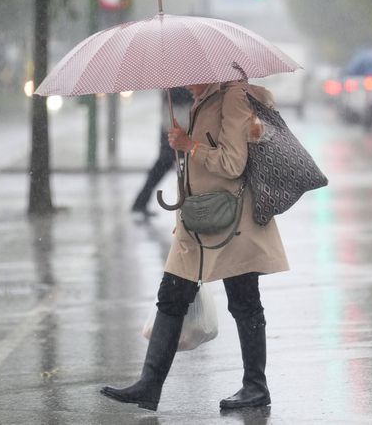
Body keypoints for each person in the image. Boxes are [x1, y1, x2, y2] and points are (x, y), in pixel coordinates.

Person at [102, 80, 288, 411]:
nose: (184, 82)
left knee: (244, 301)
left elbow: (233, 163)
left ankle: (255, 387)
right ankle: (149, 384)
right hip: (199, 220)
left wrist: (190, 145)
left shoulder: (231, 98)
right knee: (171, 296)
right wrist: (181, 219)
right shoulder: (201, 99)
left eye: (190, 76)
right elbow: (192, 173)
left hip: (233, 220)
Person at [131, 87, 195, 217]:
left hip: (176, 127)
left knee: (169, 167)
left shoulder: (172, 80)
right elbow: (180, 98)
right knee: (165, 166)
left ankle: (141, 202)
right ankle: (141, 202)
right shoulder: (175, 83)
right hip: (174, 129)